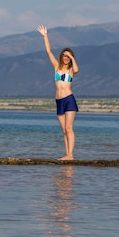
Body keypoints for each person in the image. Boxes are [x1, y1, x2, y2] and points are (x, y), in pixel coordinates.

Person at [37, 25, 79, 160]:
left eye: (68, 56)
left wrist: (72, 58)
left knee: (69, 128)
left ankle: (70, 155)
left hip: (69, 99)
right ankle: (67, 154)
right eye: (64, 56)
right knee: (63, 130)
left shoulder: (72, 70)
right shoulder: (56, 67)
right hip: (58, 100)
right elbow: (49, 52)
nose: (65, 58)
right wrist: (45, 36)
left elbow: (77, 70)